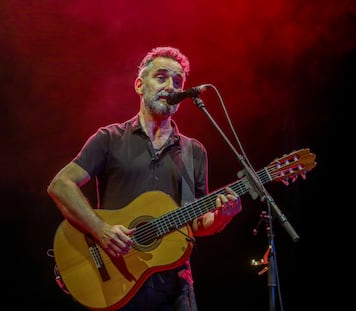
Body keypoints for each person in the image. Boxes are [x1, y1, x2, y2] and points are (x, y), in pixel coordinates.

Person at [47, 46, 242, 311]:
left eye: (177, 81)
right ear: (140, 85)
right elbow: (61, 185)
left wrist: (221, 218)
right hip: (118, 280)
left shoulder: (193, 151)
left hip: (174, 286)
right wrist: (101, 230)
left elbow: (195, 221)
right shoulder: (110, 138)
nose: (170, 86)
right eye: (161, 77)